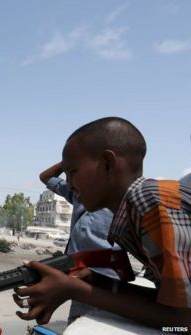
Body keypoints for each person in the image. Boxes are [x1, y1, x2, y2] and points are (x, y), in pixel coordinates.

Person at [13, 117, 191, 328]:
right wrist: (100, 283)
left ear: (108, 163)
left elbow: (183, 323)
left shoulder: (148, 201)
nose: (68, 185)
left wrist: (75, 290)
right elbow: (169, 306)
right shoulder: (132, 214)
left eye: (73, 171)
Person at [39, 161, 119, 324]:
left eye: (74, 172)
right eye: (67, 174)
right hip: (78, 280)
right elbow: (46, 177)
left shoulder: (120, 200)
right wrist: (68, 160)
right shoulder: (78, 193)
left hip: (106, 284)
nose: (69, 181)